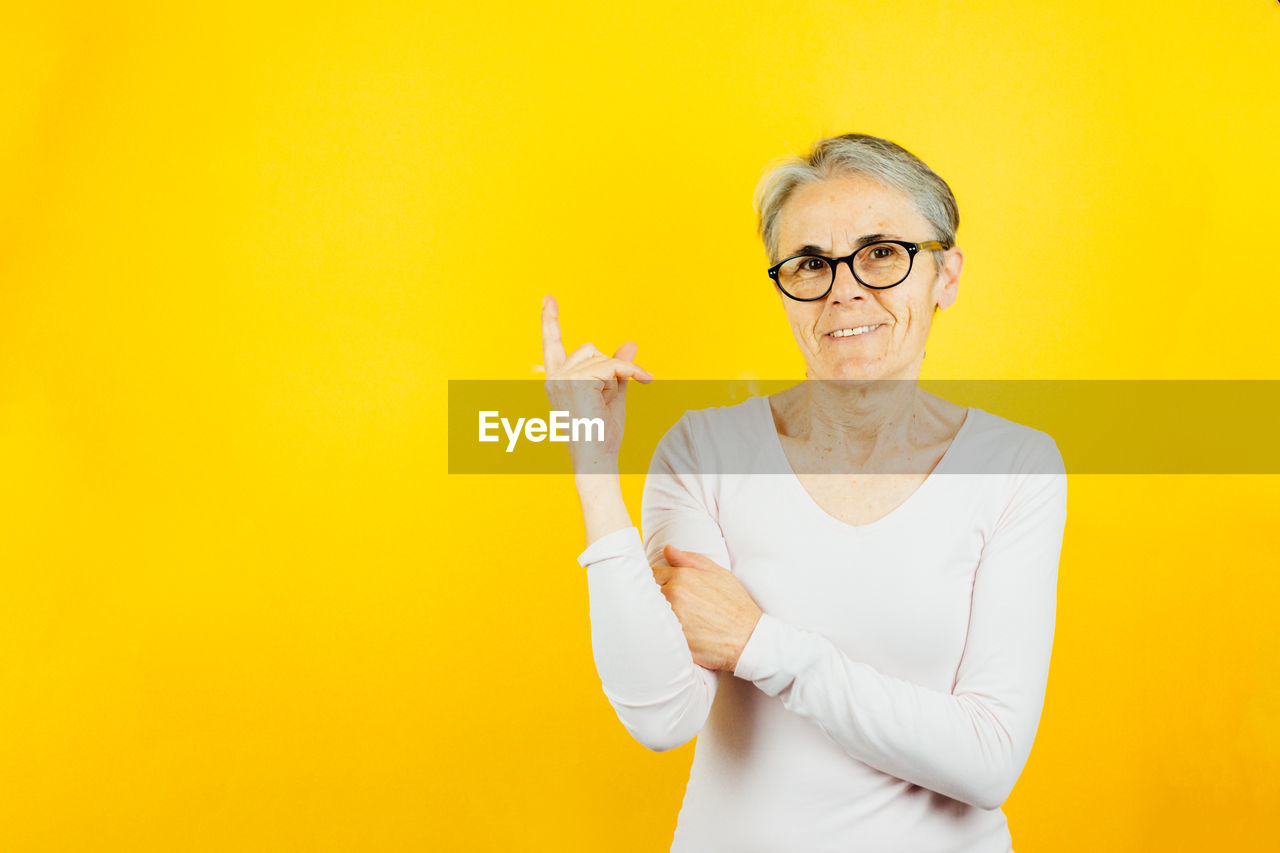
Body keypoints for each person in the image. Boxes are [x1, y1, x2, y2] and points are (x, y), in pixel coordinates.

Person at [540, 134, 1068, 852]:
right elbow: (660, 717)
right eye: (811, 263)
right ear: (784, 287)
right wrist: (594, 470)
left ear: (945, 275)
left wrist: (760, 641)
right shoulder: (705, 452)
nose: (845, 287)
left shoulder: (1016, 466)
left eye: (882, 252)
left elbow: (987, 758)